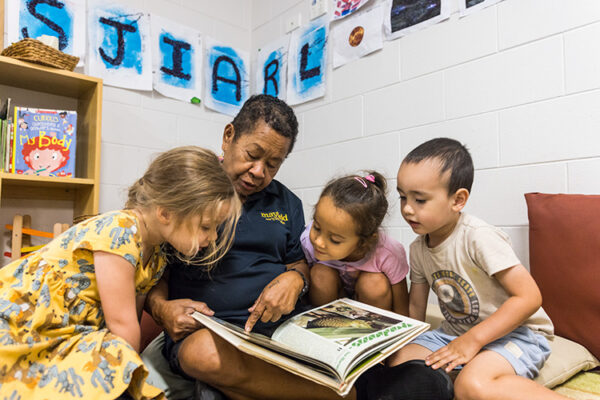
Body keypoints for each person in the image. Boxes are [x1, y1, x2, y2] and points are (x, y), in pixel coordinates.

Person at [141, 96, 455, 400]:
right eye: (253, 154)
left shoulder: (286, 202)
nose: (259, 171)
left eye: (273, 164)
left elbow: (301, 262)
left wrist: (296, 279)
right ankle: (364, 393)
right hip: (210, 331)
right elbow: (151, 276)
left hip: (281, 328)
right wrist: (161, 309)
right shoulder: (188, 190)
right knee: (203, 356)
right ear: (228, 136)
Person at [0, 146, 241, 400]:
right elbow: (123, 330)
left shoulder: (157, 255)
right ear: (165, 212)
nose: (213, 238)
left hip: (67, 334)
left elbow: (131, 326)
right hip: (22, 324)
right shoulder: (121, 231)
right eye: (207, 227)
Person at [389, 137, 572, 400]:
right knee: (399, 363)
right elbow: (416, 309)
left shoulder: (478, 237)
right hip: (455, 334)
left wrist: (473, 341)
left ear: (458, 200)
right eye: (403, 197)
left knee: (471, 385)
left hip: (518, 334)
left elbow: (530, 297)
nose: (407, 209)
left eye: (419, 200)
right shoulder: (418, 249)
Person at [302, 171, 409, 315]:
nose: (319, 242)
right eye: (317, 227)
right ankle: (327, 325)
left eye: (335, 240)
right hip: (334, 304)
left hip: (371, 309)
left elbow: (402, 307)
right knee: (320, 274)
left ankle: (373, 331)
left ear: (364, 242)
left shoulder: (388, 252)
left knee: (374, 283)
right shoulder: (307, 240)